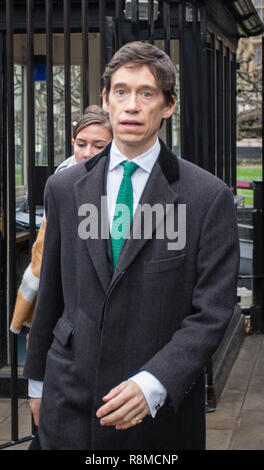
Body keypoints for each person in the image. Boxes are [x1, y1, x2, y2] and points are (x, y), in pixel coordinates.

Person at [24, 41, 239, 450]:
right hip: (69, 403)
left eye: (147, 93)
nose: (132, 105)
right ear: (105, 100)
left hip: (155, 416)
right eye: (121, 91)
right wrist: (37, 383)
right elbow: (50, 293)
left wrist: (155, 382)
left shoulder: (206, 197)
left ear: (168, 105)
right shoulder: (64, 188)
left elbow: (213, 311)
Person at [10, 106, 112, 335]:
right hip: (66, 286)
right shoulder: (61, 181)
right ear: (72, 143)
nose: (87, 153)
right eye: (81, 144)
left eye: (99, 146)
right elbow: (46, 246)